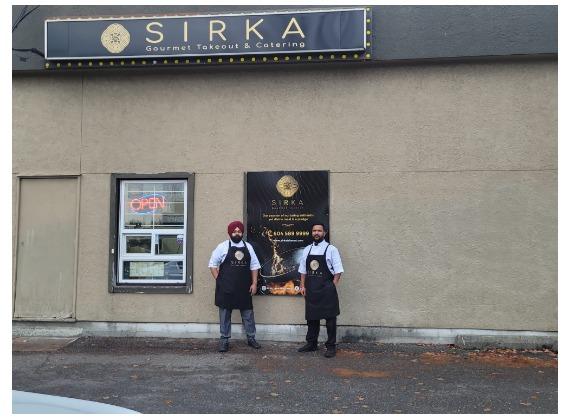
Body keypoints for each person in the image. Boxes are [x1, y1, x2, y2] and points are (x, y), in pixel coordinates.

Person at [209, 221, 261, 352]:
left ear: (242, 233)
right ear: (230, 233)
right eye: (234, 231)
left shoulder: (248, 247)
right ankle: (224, 340)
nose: (237, 233)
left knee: (248, 314)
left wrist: (254, 283)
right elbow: (212, 264)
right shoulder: (222, 247)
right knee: (225, 314)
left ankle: (251, 338)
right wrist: (219, 280)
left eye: (239, 231)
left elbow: (254, 266)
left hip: (244, 287)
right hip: (226, 288)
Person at [297, 222, 344, 358]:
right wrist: (302, 285)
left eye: (319, 230)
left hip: (326, 290)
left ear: (324, 233)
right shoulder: (307, 249)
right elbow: (303, 270)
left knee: (330, 319)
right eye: (314, 231)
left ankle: (331, 346)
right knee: (312, 318)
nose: (316, 233)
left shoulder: (331, 249)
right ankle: (311, 344)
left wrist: (332, 285)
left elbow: (338, 270)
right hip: (311, 289)